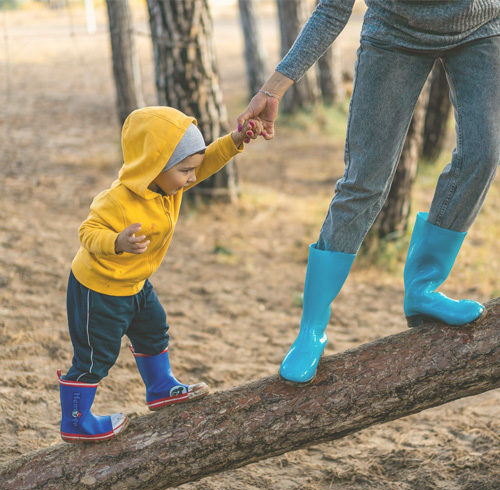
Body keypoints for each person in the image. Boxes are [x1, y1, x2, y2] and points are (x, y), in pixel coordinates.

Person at [237, 0, 499, 385]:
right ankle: (311, 329)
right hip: (394, 33)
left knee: (483, 156)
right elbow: (332, 9)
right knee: (365, 181)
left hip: (482, 26)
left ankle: (423, 288)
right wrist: (275, 88)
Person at [58, 106, 263, 443]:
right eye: (185, 170)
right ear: (155, 165)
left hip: (136, 284)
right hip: (100, 289)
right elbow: (87, 232)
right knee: (96, 356)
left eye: (191, 170)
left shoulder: (170, 185)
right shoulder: (118, 200)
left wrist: (236, 139)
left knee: (154, 330)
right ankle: (76, 420)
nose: (192, 178)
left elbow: (206, 161)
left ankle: (160, 388)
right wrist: (117, 241)